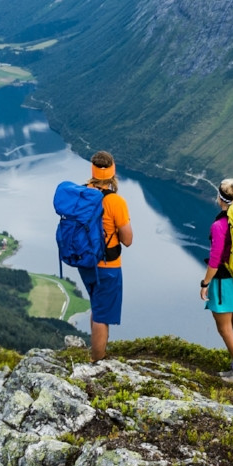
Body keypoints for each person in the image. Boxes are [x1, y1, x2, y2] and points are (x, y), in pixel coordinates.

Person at [78, 151, 131, 362]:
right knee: (102, 316)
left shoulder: (81, 194)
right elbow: (127, 240)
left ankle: (96, 354)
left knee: (97, 306)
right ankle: (97, 362)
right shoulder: (115, 201)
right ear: (112, 171)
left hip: (85, 262)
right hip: (107, 265)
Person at [200, 178, 233, 384]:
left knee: (224, 328)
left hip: (223, 281)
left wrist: (205, 283)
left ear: (219, 198)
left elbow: (215, 259)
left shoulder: (220, 225)